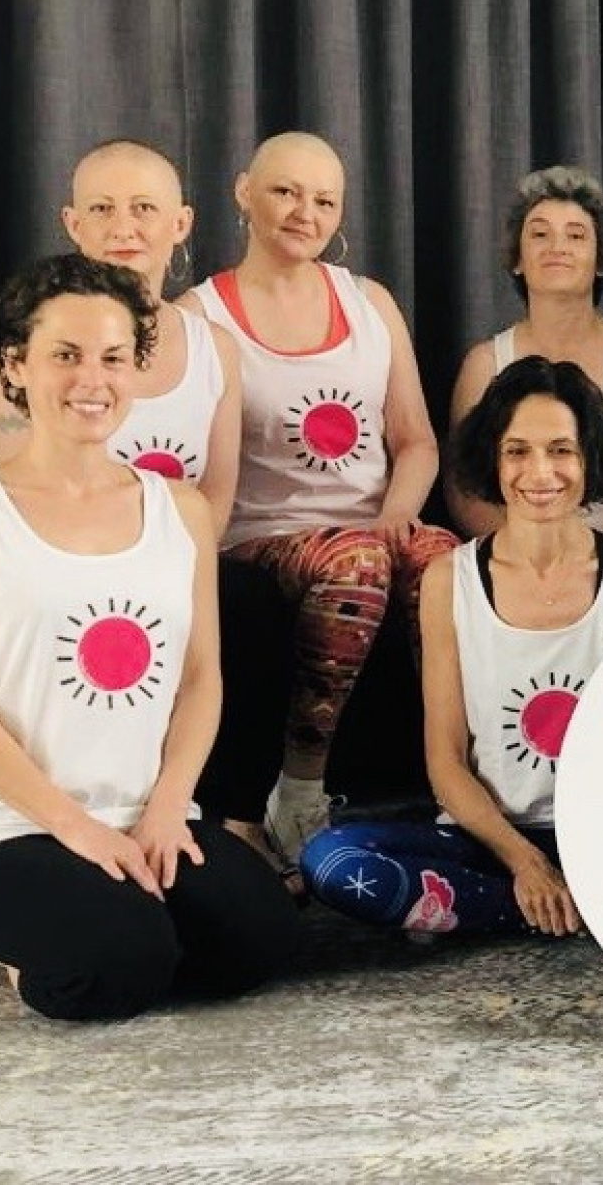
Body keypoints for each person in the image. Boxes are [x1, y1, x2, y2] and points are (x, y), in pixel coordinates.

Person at [0, 254, 297, 1020]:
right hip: (10, 827)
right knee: (121, 967)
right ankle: (33, 951)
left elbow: (200, 679)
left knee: (263, 941)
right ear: (15, 364)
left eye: (113, 358)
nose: (93, 378)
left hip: (147, 814)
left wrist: (168, 808)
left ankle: (126, 914)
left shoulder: (181, 509)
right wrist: (75, 828)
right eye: (66, 354)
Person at [302, 357, 603, 935]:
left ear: (589, 458)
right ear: (493, 460)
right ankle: (559, 908)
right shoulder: (450, 580)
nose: (540, 471)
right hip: (492, 838)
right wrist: (526, 863)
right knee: (333, 862)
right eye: (517, 451)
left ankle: (536, 905)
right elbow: (445, 761)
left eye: (561, 450)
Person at [180, 131, 459, 871]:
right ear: (244, 192)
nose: (305, 212)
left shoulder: (370, 303)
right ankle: (299, 791)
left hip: (372, 525)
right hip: (263, 537)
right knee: (358, 562)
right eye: (285, 191)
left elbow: (417, 442)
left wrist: (397, 514)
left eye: (324, 200)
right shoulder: (199, 315)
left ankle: (463, 787)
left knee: (451, 563)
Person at [0, 139, 242, 539]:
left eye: (144, 208)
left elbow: (213, 508)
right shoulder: (28, 362)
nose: (123, 229)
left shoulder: (216, 350)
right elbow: (26, 510)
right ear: (74, 224)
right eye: (102, 209)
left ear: (181, 224)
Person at [445, 166, 603, 537]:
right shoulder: (484, 365)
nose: (557, 247)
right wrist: (532, 555)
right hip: (512, 561)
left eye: (576, 235)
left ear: (601, 259)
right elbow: (465, 491)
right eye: (540, 234)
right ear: (517, 258)